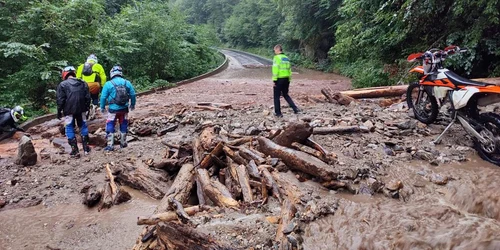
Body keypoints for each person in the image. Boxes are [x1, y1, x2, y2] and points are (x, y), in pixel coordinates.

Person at [57, 66, 92, 158]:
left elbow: (60, 100)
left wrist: (59, 111)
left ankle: (74, 150)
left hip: (69, 110)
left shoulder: (62, 85)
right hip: (82, 108)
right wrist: (87, 108)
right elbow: (88, 97)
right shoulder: (83, 82)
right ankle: (86, 148)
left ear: (64, 74)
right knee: (83, 126)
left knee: (69, 128)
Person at [100, 65, 136, 151]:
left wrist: (102, 107)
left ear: (112, 74)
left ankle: (110, 145)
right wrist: (132, 104)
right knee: (123, 123)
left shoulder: (108, 84)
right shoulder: (127, 83)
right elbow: (133, 94)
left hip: (113, 110)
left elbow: (103, 97)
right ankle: (123, 143)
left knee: (110, 124)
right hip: (124, 109)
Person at [272, 44, 300, 117]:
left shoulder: (276, 58)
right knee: (285, 94)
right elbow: (289, 70)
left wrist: (274, 81)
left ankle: (278, 113)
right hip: (287, 79)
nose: (274, 51)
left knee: (276, 96)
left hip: (279, 79)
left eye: (274, 50)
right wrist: (289, 79)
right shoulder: (286, 58)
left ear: (278, 49)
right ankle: (295, 109)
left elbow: (275, 69)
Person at [76, 54, 107, 118]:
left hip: (83, 86)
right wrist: (102, 86)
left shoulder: (81, 66)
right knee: (95, 97)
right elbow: (103, 77)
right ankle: (94, 107)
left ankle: (85, 110)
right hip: (94, 85)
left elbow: (78, 77)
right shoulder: (98, 66)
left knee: (84, 98)